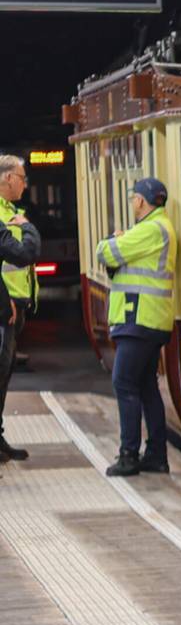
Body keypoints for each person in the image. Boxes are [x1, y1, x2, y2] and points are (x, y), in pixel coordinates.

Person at [99, 178, 177, 477]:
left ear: (142, 201)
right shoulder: (158, 228)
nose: (132, 203)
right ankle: (156, 455)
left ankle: (129, 455)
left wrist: (111, 239)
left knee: (123, 383)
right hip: (147, 318)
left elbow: (104, 253)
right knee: (145, 386)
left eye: (133, 198)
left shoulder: (150, 229)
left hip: (140, 319)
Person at [0, 155, 41, 462]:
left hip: (13, 304)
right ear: (7, 178)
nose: (26, 185)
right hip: (5, 307)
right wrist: (29, 229)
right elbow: (22, 254)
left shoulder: (10, 211)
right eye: (22, 178)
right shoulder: (4, 215)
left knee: (5, 375)